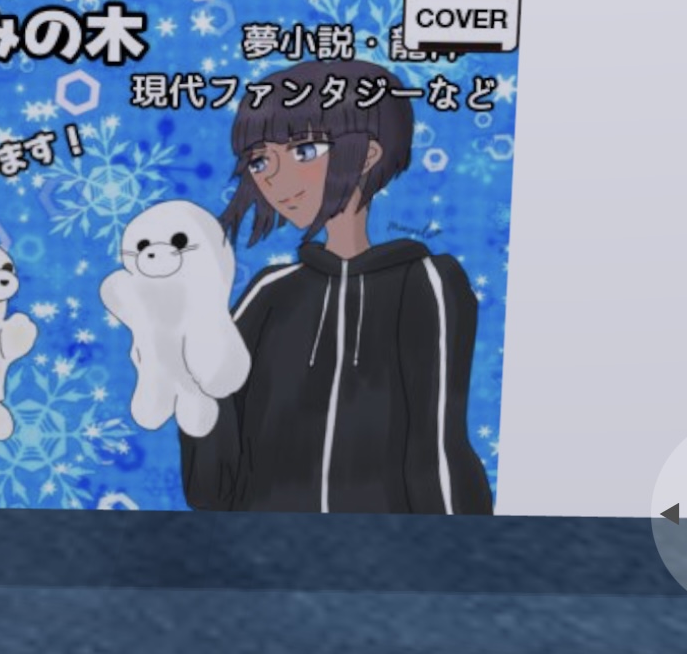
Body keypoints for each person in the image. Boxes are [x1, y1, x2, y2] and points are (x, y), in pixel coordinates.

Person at [180, 59, 494, 515]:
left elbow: (438, 444)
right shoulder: (269, 294)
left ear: (368, 154)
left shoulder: (426, 283)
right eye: (260, 160)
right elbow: (216, 457)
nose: (274, 179)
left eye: (304, 151)